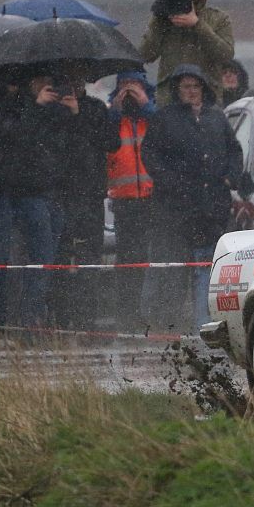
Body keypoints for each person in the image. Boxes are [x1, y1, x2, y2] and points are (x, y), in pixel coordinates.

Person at [143, 65, 250, 330]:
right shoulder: (164, 118)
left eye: (195, 86)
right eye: (185, 87)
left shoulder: (217, 118)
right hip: (175, 210)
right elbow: (150, 156)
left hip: (211, 208)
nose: (191, 92)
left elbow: (235, 151)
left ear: (203, 88)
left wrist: (230, 178)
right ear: (177, 91)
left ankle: (205, 323)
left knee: (207, 268)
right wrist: (171, 183)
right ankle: (168, 325)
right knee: (175, 270)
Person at [0, 73, 74, 332]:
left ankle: (31, 319)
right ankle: (0, 321)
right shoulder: (6, 103)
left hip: (45, 189)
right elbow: (16, 138)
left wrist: (72, 114)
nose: (46, 85)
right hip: (9, 189)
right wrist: (35, 105)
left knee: (43, 257)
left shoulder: (47, 107)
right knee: (0, 259)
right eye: (39, 79)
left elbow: (64, 144)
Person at [48, 66, 119, 328]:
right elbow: (57, 146)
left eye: (77, 80)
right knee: (61, 258)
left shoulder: (96, 108)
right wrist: (67, 115)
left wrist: (79, 115)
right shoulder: (51, 110)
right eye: (68, 80)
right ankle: (62, 319)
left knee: (90, 259)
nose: (74, 85)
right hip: (61, 194)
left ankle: (87, 319)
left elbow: (110, 142)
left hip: (90, 194)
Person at [106, 70, 160, 328]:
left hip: (152, 199)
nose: (128, 91)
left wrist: (145, 105)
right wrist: (116, 108)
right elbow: (105, 139)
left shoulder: (153, 116)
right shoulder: (113, 118)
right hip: (125, 200)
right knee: (127, 259)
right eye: (124, 85)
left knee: (152, 256)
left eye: (133, 85)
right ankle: (126, 312)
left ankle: (147, 311)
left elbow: (164, 130)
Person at [137, 0, 235, 101]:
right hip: (169, 100)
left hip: (207, 100)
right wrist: (159, 20)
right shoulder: (164, 19)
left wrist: (197, 25)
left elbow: (226, 54)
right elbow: (144, 55)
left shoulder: (218, 18)